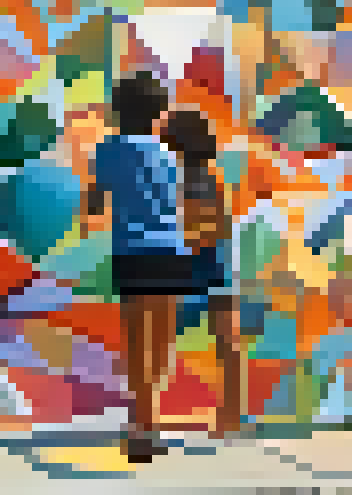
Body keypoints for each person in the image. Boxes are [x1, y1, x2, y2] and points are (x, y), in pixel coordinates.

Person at [81, 72, 197, 463]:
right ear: (158, 113)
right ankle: (150, 423)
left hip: (132, 251)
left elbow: (95, 205)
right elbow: (174, 206)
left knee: (135, 343)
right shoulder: (169, 155)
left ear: (117, 109)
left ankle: (141, 426)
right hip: (172, 251)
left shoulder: (108, 150)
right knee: (162, 343)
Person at [160, 108, 242, 439]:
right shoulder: (211, 179)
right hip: (216, 265)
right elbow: (220, 227)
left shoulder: (185, 180)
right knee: (225, 342)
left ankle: (155, 414)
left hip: (195, 266)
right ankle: (230, 416)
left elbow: (204, 227)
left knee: (160, 337)